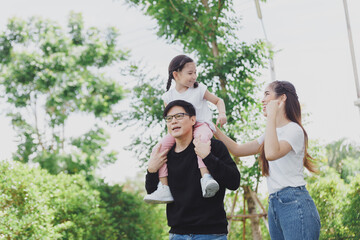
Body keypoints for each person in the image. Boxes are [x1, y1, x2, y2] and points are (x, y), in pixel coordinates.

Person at [214, 80, 321, 240]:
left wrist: (271, 116)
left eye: (267, 94)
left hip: (294, 202)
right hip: (274, 204)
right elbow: (237, 150)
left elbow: (271, 153)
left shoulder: (294, 130)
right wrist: (213, 129)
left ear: (282, 98)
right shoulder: (271, 133)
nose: (262, 100)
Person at [145, 100, 240, 239]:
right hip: (177, 234)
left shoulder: (213, 147)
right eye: (169, 118)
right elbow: (152, 191)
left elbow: (234, 182)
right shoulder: (164, 155)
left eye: (179, 116)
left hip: (211, 234)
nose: (173, 121)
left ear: (193, 119)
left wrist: (207, 157)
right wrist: (151, 170)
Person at [144, 55, 227, 203]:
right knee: (160, 148)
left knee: (200, 141)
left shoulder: (199, 89)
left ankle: (206, 177)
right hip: (182, 130)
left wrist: (222, 114)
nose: (194, 76)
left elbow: (218, 100)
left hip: (201, 125)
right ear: (176, 75)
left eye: (195, 72)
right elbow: (170, 119)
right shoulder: (168, 96)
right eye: (190, 73)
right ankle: (164, 188)